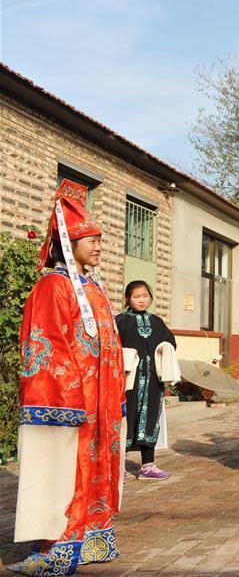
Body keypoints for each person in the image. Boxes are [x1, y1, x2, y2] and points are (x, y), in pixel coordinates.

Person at [11, 180, 125, 575]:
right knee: (64, 471)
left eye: (98, 239)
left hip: (99, 403)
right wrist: (67, 399)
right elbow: (47, 346)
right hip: (70, 401)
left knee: (94, 470)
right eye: (89, 239)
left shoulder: (93, 288)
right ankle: (57, 545)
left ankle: (93, 536)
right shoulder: (52, 287)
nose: (97, 246)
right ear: (67, 241)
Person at [116, 281, 177, 480]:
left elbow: (170, 341)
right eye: (136, 296)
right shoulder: (121, 321)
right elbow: (111, 346)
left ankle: (147, 466)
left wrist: (164, 347)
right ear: (127, 299)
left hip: (152, 380)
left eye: (145, 295)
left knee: (149, 419)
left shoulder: (157, 321)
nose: (142, 300)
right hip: (127, 380)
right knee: (126, 418)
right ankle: (118, 468)